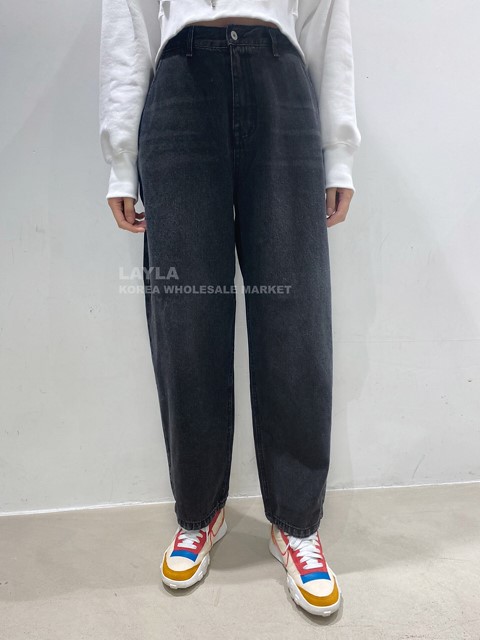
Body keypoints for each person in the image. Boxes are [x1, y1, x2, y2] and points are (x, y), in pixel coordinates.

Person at [99, 0, 361, 616]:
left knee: (296, 317)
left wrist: (339, 151)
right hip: (181, 87)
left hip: (281, 82)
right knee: (186, 321)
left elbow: (327, 19)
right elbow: (127, 21)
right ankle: (199, 512)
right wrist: (120, 161)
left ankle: (295, 523)